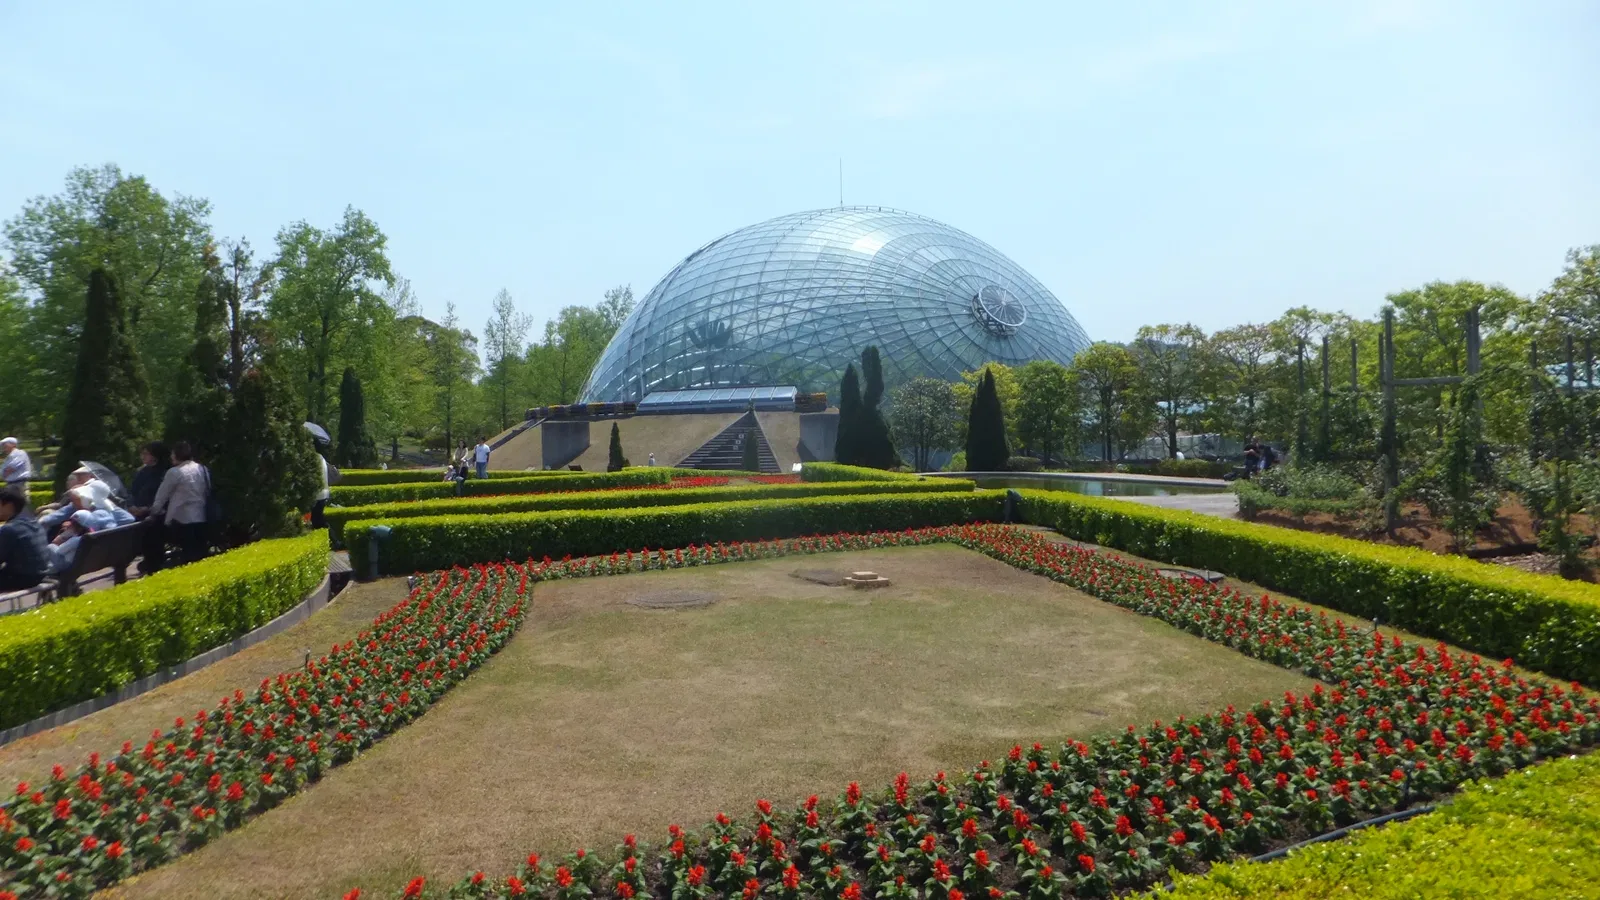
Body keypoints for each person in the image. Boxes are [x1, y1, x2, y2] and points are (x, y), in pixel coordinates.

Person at [150, 441, 211, 565]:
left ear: (177, 455)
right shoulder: (202, 469)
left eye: (172, 454)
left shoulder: (174, 472)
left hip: (181, 519)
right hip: (201, 516)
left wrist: (154, 511)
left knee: (187, 554)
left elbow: (162, 495)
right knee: (201, 554)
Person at [129, 441, 170, 575]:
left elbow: (163, 495)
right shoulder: (142, 472)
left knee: (154, 540)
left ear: (155, 456)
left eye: (146, 453)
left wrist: (147, 508)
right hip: (139, 512)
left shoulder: (163, 472)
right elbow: (133, 491)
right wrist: (132, 506)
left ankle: (155, 566)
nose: (143, 456)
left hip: (156, 514)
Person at [0, 487, 50, 591]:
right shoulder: (34, 523)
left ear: (8, 505)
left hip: (22, 578)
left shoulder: (9, 529)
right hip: (40, 575)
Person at [46, 509, 96, 575]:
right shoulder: (91, 537)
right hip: (80, 565)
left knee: (50, 546)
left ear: (78, 527)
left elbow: (60, 551)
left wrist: (64, 536)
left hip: (67, 566)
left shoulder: (75, 540)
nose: (70, 524)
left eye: (73, 523)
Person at [312, 451, 331, 528]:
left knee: (317, 521)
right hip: (323, 493)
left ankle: (334, 539)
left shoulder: (312, 457)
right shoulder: (321, 457)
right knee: (319, 519)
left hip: (317, 494)